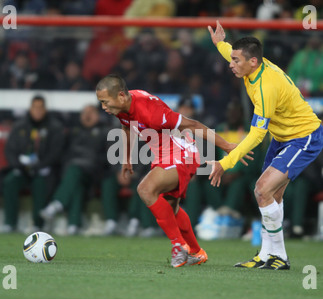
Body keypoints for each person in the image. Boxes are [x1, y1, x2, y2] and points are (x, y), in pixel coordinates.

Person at [95, 74, 252, 267]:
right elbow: (127, 126)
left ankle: (179, 245)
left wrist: (226, 145)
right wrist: (127, 157)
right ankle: (196, 252)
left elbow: (193, 125)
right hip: (163, 154)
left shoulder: (151, 111)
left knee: (145, 189)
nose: (103, 107)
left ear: (120, 96)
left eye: (104, 102)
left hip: (183, 152)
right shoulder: (122, 106)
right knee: (171, 208)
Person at [207, 21, 323, 270]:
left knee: (261, 189)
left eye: (236, 61)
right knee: (270, 194)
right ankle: (268, 255)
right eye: (233, 59)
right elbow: (231, 50)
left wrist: (225, 162)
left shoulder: (265, 86)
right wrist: (220, 44)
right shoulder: (250, 64)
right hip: (282, 137)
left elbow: (257, 135)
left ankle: (278, 256)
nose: (231, 64)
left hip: (304, 137)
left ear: (253, 63)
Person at [40, 105, 109, 235]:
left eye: (91, 112)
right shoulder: (73, 132)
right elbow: (63, 154)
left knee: (74, 171)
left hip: (95, 174)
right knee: (76, 182)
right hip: (73, 173)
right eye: (85, 112)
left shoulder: (105, 132)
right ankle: (74, 225)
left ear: (98, 115)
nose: (88, 115)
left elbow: (106, 158)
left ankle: (57, 203)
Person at [1, 95, 64, 233]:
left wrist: (40, 165)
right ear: (30, 108)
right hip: (21, 169)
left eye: (40, 108)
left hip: (43, 170)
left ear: (45, 109)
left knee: (41, 184)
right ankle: (10, 223)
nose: (38, 111)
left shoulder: (54, 127)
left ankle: (38, 224)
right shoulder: (19, 126)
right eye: (35, 107)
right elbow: (10, 150)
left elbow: (56, 152)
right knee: (10, 181)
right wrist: (18, 164)